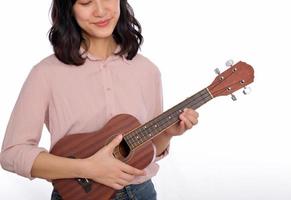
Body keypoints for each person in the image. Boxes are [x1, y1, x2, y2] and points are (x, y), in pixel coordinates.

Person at [0, 0, 199, 199]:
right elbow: (12, 153)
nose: (101, 11)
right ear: (68, 9)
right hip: (79, 194)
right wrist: (87, 168)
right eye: (86, 2)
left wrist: (167, 134)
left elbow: (147, 151)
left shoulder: (147, 71)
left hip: (141, 193)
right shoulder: (46, 73)